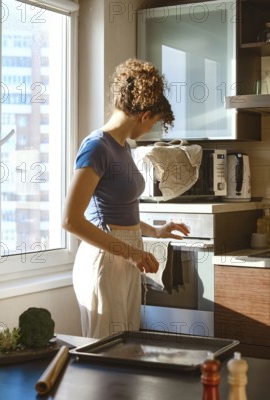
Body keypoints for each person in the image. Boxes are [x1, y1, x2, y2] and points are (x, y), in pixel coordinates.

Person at [62, 58, 190, 338]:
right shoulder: (96, 147)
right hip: (105, 261)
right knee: (106, 359)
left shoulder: (122, 148)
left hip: (127, 260)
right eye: (153, 123)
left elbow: (119, 212)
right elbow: (71, 220)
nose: (149, 130)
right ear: (144, 115)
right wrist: (131, 252)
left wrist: (155, 231)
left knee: (125, 352)